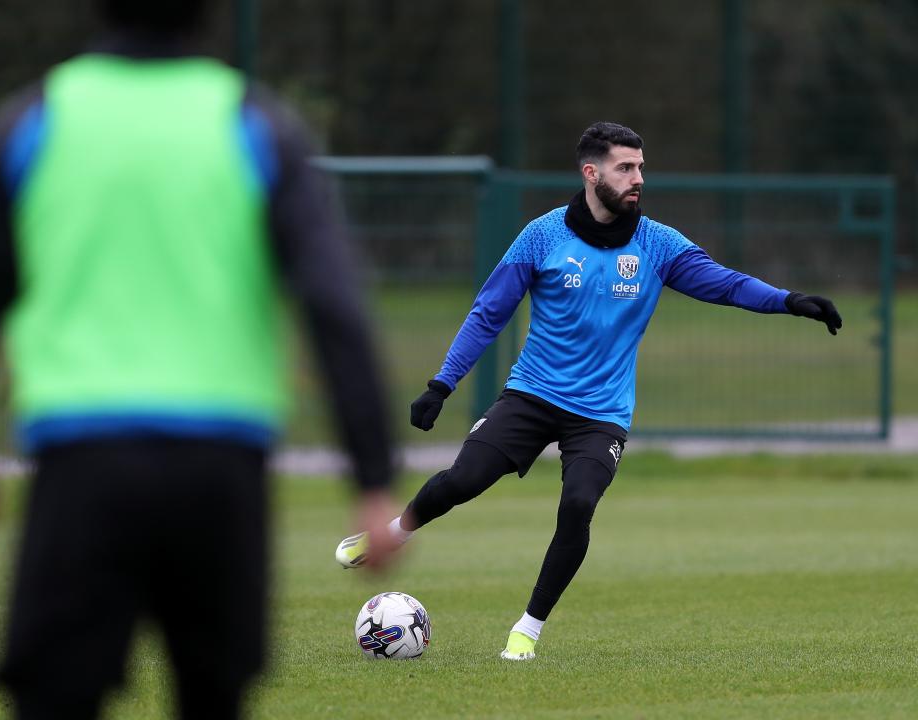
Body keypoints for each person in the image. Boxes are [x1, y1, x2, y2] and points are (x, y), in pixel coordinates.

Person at [0, 0, 400, 717]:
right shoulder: (255, 124)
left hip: (82, 461)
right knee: (213, 696)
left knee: (52, 695)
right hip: (219, 468)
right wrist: (372, 476)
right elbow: (333, 304)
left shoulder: (36, 120)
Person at [335, 121, 842, 661]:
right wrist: (442, 383)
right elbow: (489, 312)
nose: (637, 178)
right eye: (625, 167)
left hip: (601, 413)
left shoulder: (658, 244)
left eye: (640, 167)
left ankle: (527, 630)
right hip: (532, 394)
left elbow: (728, 284)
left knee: (578, 504)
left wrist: (790, 301)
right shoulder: (542, 235)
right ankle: (395, 531)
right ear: (591, 173)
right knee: (464, 480)